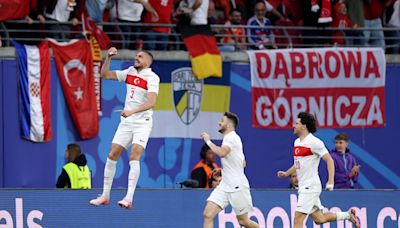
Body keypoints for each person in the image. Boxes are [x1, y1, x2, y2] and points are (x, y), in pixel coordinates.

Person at [89, 47, 160, 209]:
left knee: (134, 154)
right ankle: (105, 195)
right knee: (112, 154)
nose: (136, 58)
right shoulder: (129, 72)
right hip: (127, 121)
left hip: (142, 121)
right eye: (136, 55)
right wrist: (108, 58)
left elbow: (151, 102)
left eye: (140, 56)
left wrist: (132, 111)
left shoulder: (152, 77)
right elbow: (104, 74)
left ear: (148, 62)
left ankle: (128, 198)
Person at [277, 112, 360, 228]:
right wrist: (286, 173)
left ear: (304, 126)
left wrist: (331, 181)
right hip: (303, 186)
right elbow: (298, 164)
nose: (294, 126)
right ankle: (348, 215)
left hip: (310, 186)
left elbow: (329, 160)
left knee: (297, 220)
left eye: (296, 123)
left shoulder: (315, 142)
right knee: (319, 219)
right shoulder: (297, 142)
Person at [201, 112, 259, 228]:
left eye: (222, 121)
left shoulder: (231, 137)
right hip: (224, 185)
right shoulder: (231, 139)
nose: (219, 123)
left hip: (237, 186)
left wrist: (208, 141)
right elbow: (242, 163)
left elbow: (222, 153)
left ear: (228, 125)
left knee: (243, 222)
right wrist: (223, 170)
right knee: (208, 214)